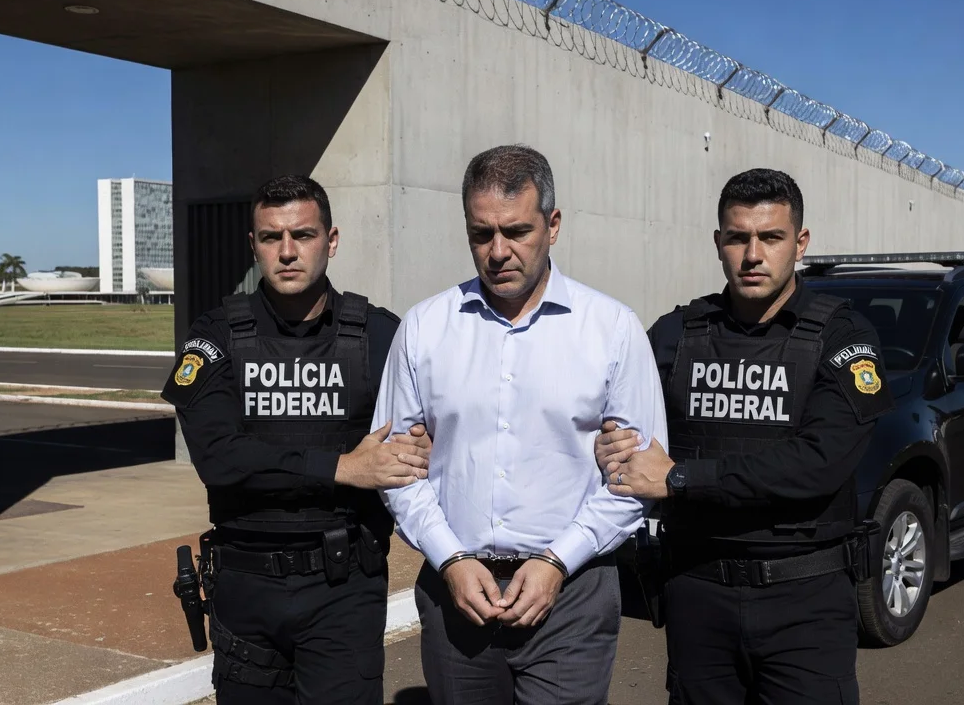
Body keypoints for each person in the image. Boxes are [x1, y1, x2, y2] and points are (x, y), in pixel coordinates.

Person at [373, 144, 668, 705]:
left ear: (552, 225)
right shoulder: (424, 329)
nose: (498, 251)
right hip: (456, 593)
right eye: (480, 233)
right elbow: (396, 470)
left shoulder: (612, 330)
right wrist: (449, 557)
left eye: (516, 231)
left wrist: (558, 561)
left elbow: (636, 478)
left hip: (574, 593)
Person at [596, 168, 893, 704]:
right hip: (697, 592)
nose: (753, 255)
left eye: (771, 237)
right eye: (738, 238)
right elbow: (616, 424)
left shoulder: (842, 336)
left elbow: (819, 462)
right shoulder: (676, 334)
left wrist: (681, 479)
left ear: (800, 242)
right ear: (718, 243)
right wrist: (611, 446)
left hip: (806, 598)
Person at [160, 174, 433, 704]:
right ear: (254, 245)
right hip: (246, 588)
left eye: (303, 235)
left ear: (331, 240)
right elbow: (219, 459)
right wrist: (343, 467)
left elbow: (419, 444)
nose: (287, 252)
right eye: (271, 237)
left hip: (344, 586)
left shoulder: (380, 335)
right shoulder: (215, 336)